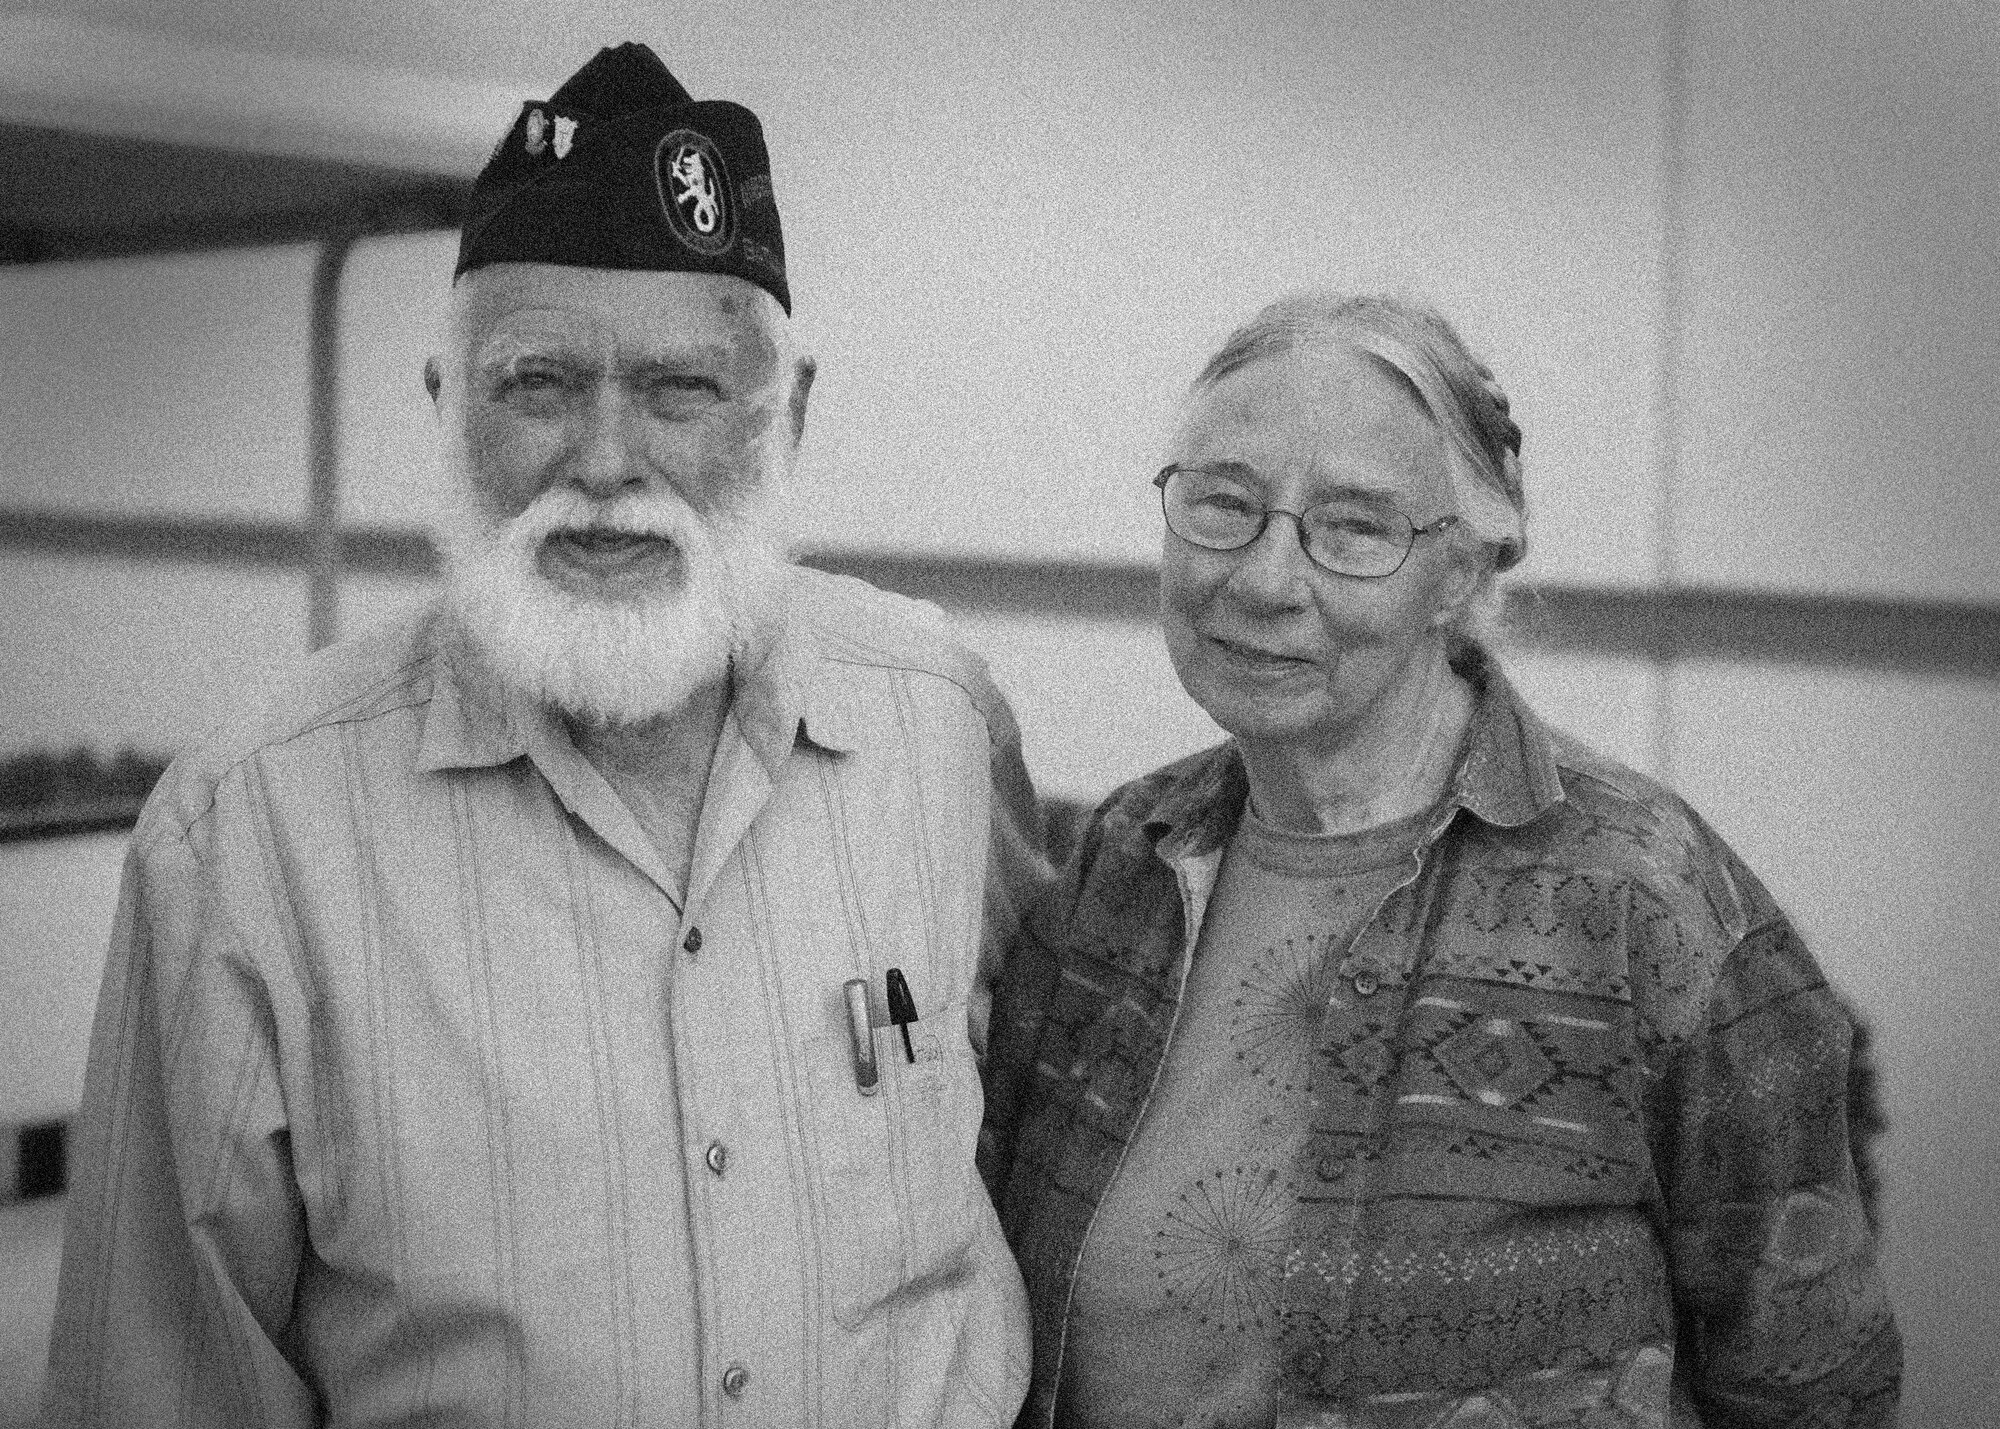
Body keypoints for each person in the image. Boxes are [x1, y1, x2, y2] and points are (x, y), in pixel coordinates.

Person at [44, 42, 1044, 1428]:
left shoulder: (939, 728)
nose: (606, 460)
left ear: (787, 416)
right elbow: (157, 1384)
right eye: (539, 384)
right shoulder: (250, 831)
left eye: (683, 390)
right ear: (450, 410)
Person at [980, 292, 1901, 1427]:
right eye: (1221, 505)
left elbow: (1812, 1382)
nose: (1266, 580)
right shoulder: (1115, 874)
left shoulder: (1646, 903)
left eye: (1353, 527)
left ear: (1464, 569)